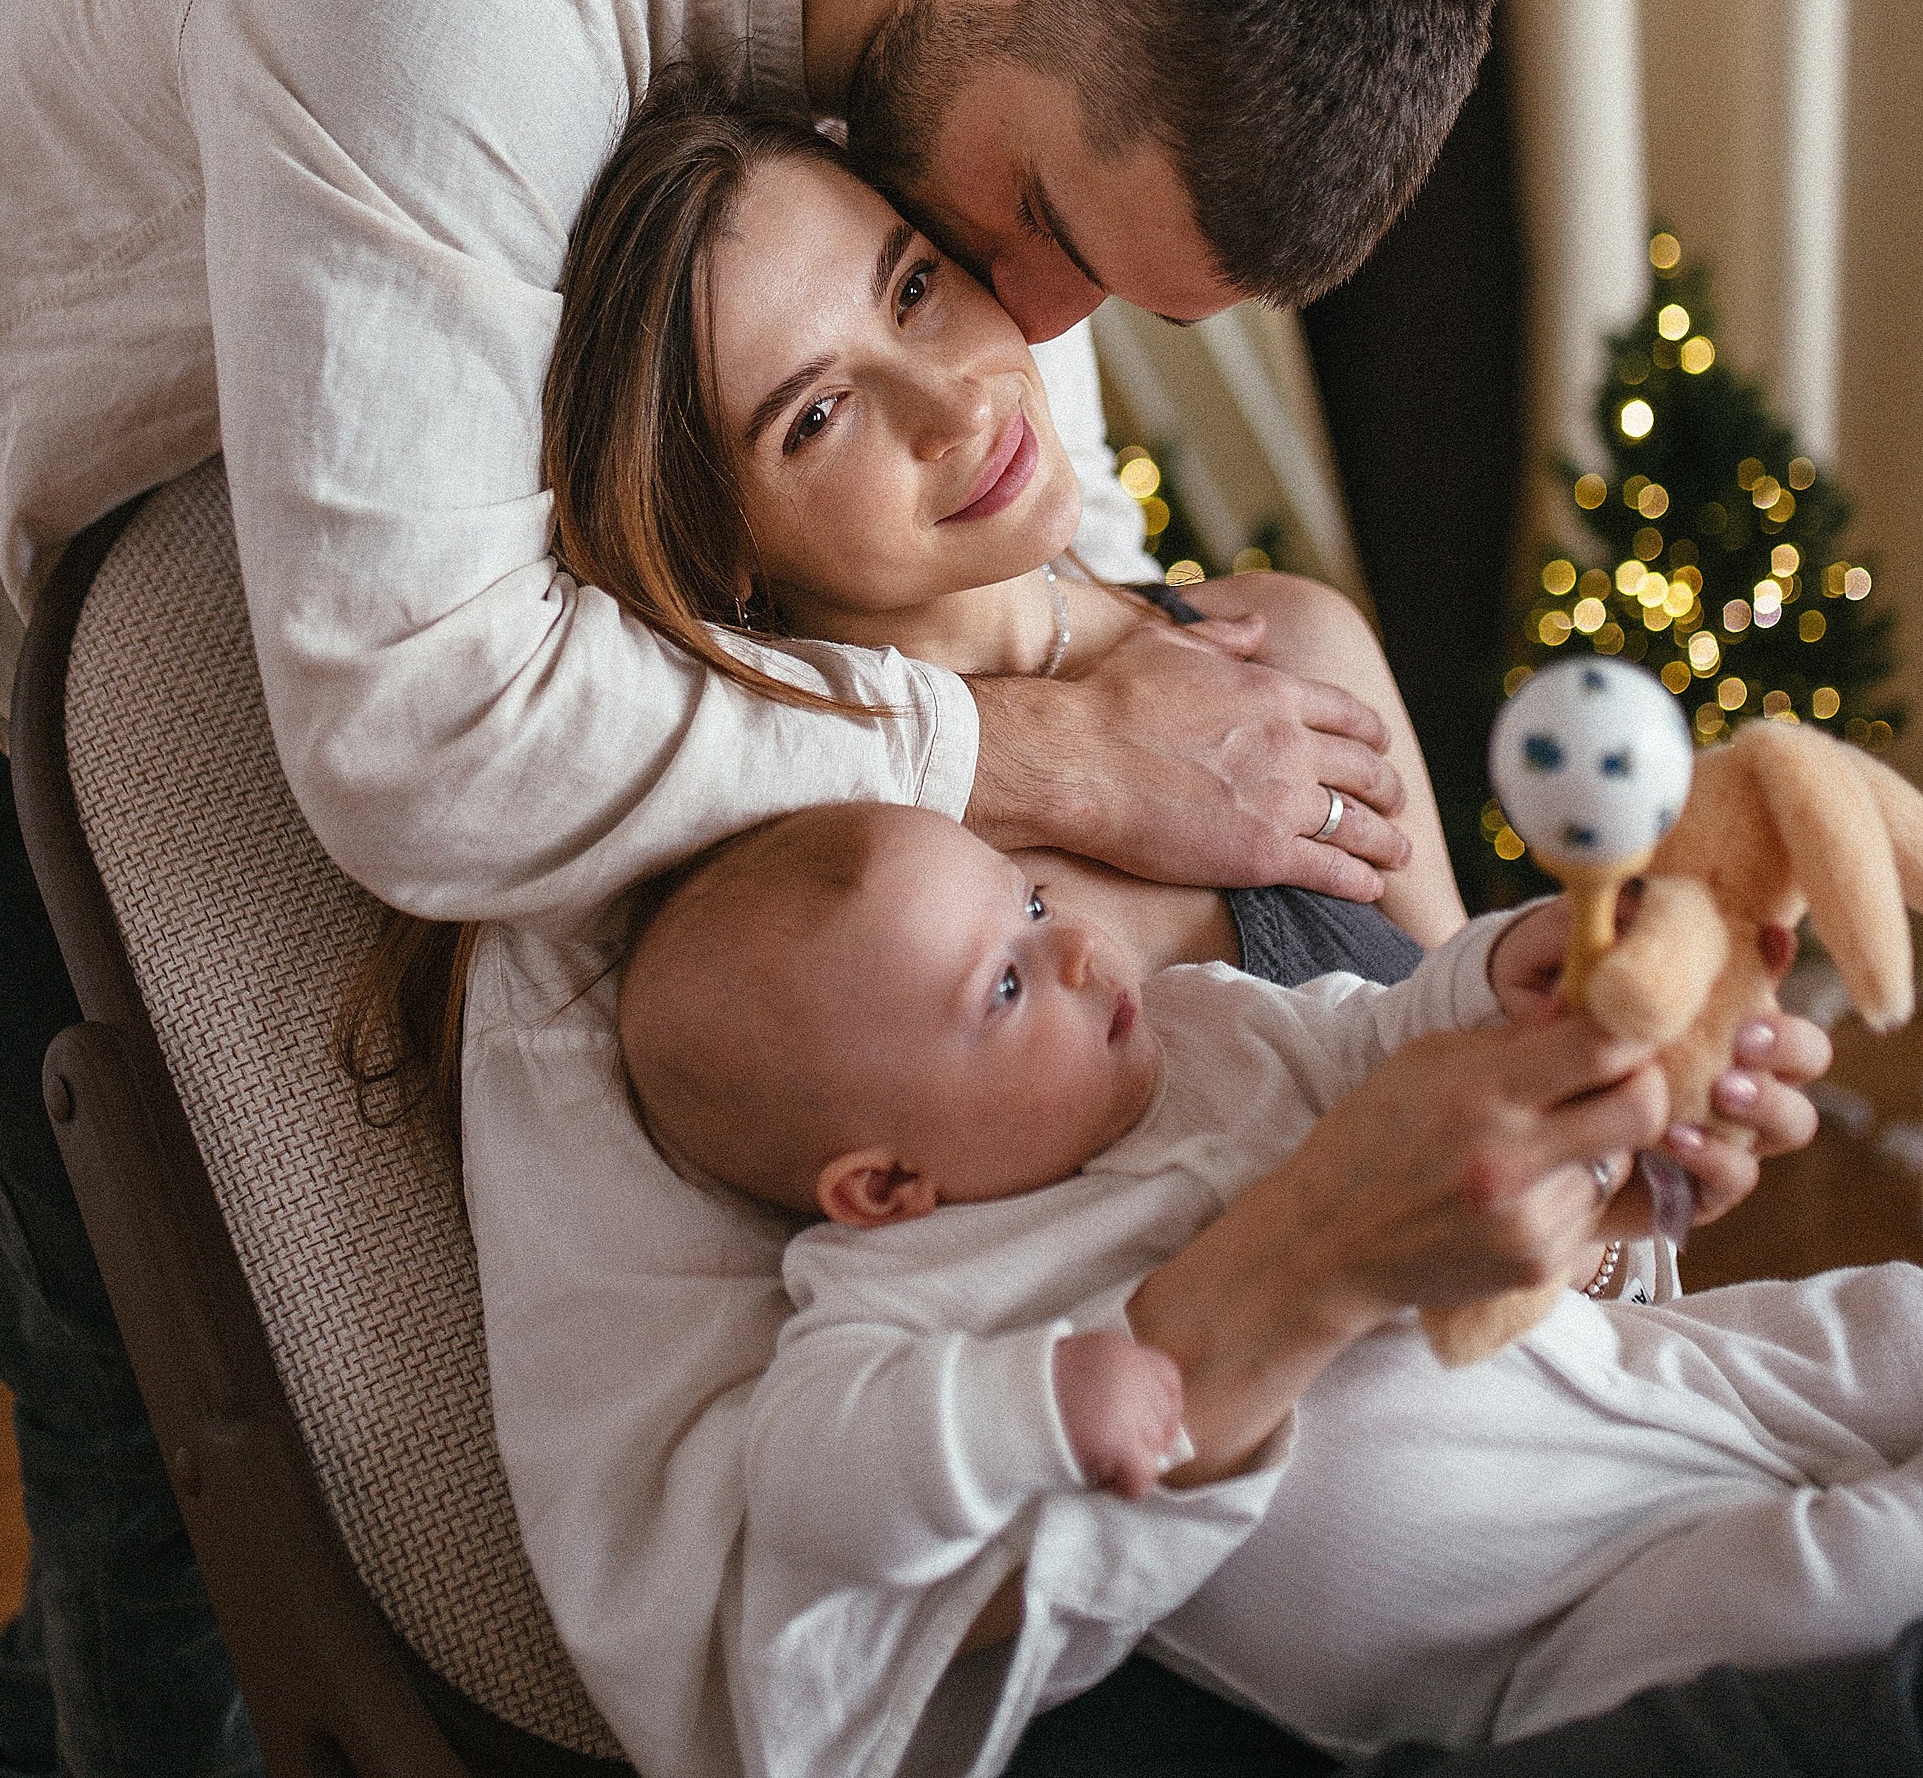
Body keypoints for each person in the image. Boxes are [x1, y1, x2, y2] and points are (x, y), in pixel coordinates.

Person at [452, 88, 1841, 1778]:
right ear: (715, 545)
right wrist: (1293, 1277)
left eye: (912, 287)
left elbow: (1535, 1205)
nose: (953, 405)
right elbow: (753, 1652)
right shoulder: (701, 936)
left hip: (1618, 1489)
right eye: (813, 416)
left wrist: (1611, 1168)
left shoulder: (1291, 654)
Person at [615, 798, 1923, 1778]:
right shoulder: (902, 1291)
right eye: (1004, 986)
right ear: (886, 1183)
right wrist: (1038, 1403)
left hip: (1652, 1369)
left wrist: (1501, 968)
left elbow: (1378, 1035)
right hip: (1552, 1621)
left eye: (1031, 905)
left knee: (1886, 1324)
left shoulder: (1203, 1028)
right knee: (1832, 1592)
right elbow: (813, 1475)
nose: (1081, 952)